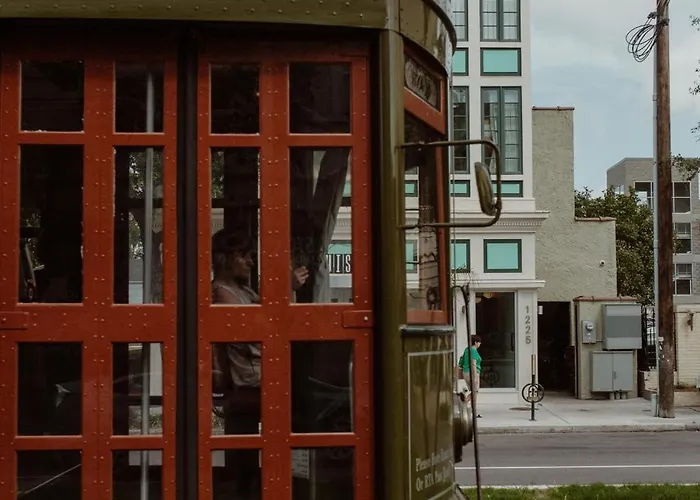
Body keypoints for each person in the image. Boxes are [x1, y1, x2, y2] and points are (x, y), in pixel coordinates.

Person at [210, 229, 308, 494]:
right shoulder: (221, 293)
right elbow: (257, 334)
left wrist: (289, 289)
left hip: (261, 382)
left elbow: (282, 321)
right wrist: (286, 288)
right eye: (244, 256)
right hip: (246, 385)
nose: (251, 262)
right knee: (244, 461)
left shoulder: (244, 290)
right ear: (224, 259)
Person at [460, 335, 482, 419]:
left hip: (465, 372)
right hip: (472, 373)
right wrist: (475, 376)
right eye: (479, 342)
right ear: (475, 342)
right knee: (475, 392)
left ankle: (465, 404)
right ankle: (465, 404)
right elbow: (473, 363)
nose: (480, 344)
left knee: (473, 391)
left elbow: (461, 360)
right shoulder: (473, 350)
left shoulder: (466, 350)